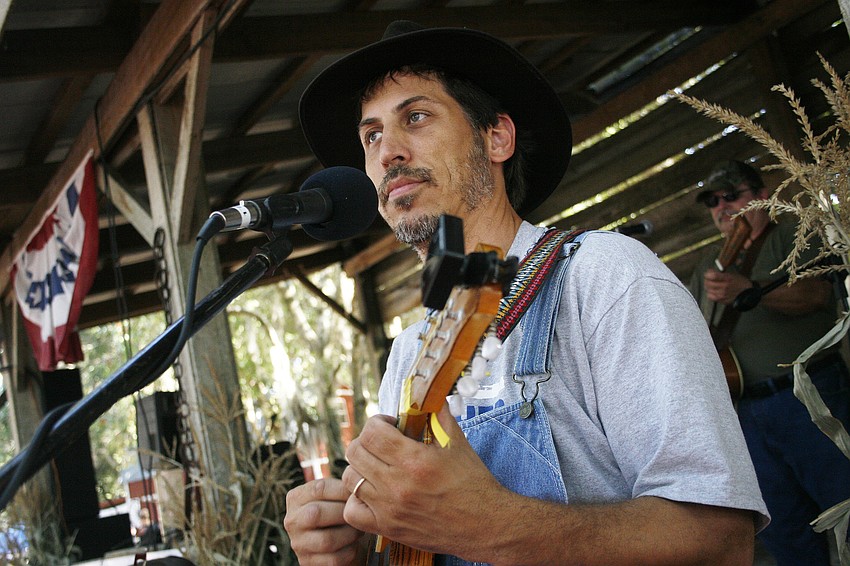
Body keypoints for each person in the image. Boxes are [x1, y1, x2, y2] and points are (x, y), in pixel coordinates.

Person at [284, 21, 768, 565]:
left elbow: (721, 542)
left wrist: (486, 525)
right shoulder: (407, 354)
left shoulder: (602, 276)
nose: (387, 152)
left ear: (497, 138)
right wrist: (355, 550)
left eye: (415, 118)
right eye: (370, 136)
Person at [689, 159, 850, 566]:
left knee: (845, 501)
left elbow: (817, 297)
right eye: (713, 200)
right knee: (783, 529)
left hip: (809, 397)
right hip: (744, 414)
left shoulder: (792, 237)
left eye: (733, 195)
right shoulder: (708, 264)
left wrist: (750, 289)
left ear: (762, 196)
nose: (722, 206)